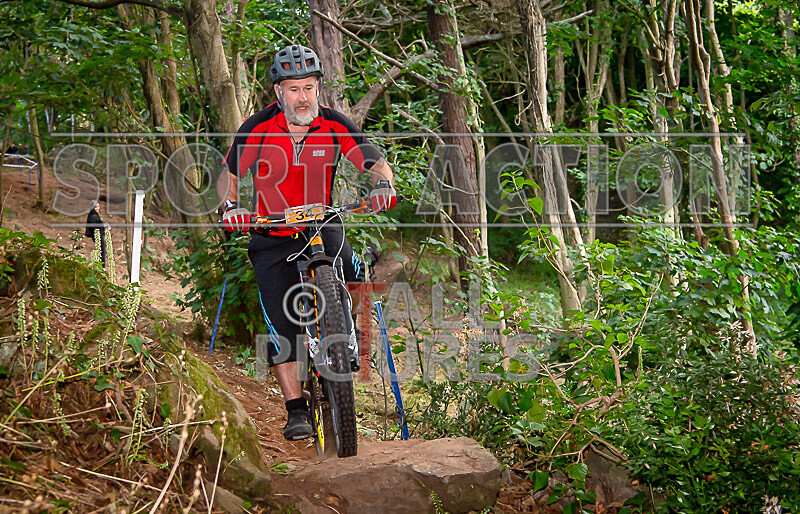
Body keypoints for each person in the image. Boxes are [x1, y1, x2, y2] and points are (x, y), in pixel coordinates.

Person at [217, 44, 396, 440]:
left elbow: (374, 162)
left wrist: (383, 184)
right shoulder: (256, 127)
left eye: (309, 88)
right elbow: (228, 174)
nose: (302, 97)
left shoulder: (334, 124)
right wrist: (230, 206)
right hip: (271, 230)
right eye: (294, 89)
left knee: (353, 272)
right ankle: (296, 408)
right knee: (281, 322)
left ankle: (345, 335)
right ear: (278, 91)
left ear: (318, 88)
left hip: (322, 222)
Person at [85, 201, 107, 267]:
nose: (97, 208)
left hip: (99, 234)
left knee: (102, 249)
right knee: (101, 250)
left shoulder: (94, 215)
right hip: (98, 235)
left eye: (98, 207)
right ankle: (101, 266)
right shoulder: (93, 216)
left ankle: (100, 265)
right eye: (96, 207)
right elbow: (95, 226)